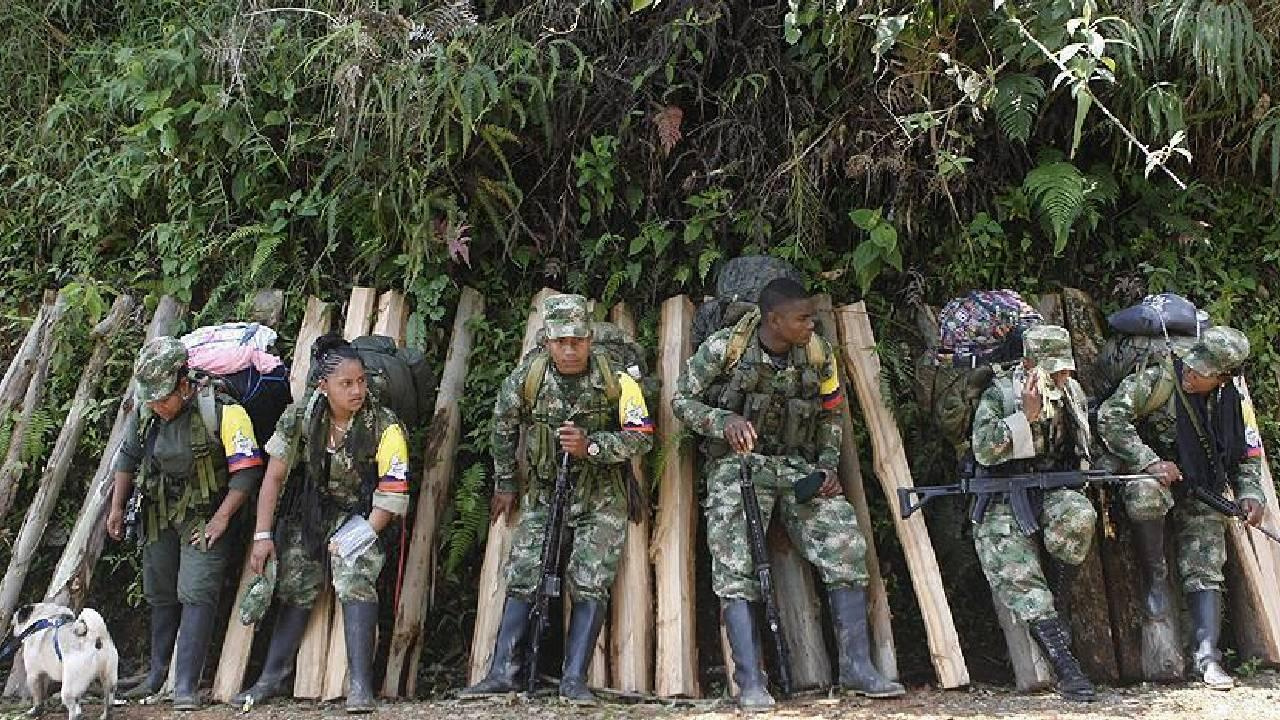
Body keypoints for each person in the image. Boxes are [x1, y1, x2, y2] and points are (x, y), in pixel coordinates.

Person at [672, 277, 902, 711]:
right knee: (734, 561)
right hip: (739, 465)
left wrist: (828, 465)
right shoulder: (726, 349)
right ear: (773, 320)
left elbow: (833, 413)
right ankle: (751, 681)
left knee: (845, 545)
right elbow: (682, 400)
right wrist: (722, 421)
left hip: (798, 467)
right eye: (802, 318)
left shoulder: (817, 353)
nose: (811, 324)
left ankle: (856, 667)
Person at [460, 293, 653, 704]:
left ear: (589, 338)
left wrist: (594, 447)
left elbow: (641, 437)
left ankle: (574, 679)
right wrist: (507, 483)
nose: (569, 350)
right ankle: (503, 671)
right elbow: (503, 428)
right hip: (545, 493)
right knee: (525, 571)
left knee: (590, 579)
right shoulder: (527, 378)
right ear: (546, 340)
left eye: (577, 341)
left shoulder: (617, 377)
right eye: (560, 341)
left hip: (602, 495)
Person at [232, 334, 411, 713]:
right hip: (316, 510)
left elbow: (392, 493)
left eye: (360, 381)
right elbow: (274, 478)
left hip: (366, 514)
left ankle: (361, 685)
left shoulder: (385, 424)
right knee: (295, 575)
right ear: (322, 386)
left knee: (354, 574)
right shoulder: (301, 416)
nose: (357, 390)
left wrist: (362, 533)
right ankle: (272, 676)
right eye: (346, 383)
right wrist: (263, 535)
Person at [1097, 325, 1264, 690]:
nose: (1190, 374)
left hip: (1200, 485)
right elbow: (1110, 417)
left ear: (1222, 378)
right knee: (1146, 495)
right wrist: (1149, 460)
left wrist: (1251, 493)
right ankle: (1156, 579)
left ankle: (1207, 656)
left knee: (1207, 553)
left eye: (1201, 374)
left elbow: (1248, 454)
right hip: (1154, 476)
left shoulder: (1234, 402)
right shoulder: (1160, 379)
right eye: (1190, 367)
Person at [106, 337, 266, 709]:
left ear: (184, 384)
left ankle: (186, 685)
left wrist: (222, 519)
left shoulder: (223, 411)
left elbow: (247, 471)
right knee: (159, 588)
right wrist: (117, 507)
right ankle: (156, 673)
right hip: (159, 511)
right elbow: (127, 458)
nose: (158, 406)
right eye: (152, 399)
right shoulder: (147, 412)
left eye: (164, 398)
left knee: (197, 590)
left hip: (205, 513)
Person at [969, 324, 1097, 702]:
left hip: (1052, 488)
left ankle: (1058, 604)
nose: (1062, 376)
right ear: (1028, 364)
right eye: (1053, 369)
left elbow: (1081, 447)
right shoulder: (1000, 395)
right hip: (1001, 493)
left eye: (1065, 368)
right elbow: (985, 451)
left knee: (1078, 518)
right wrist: (1024, 417)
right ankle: (1066, 666)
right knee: (1017, 572)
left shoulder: (1071, 393)